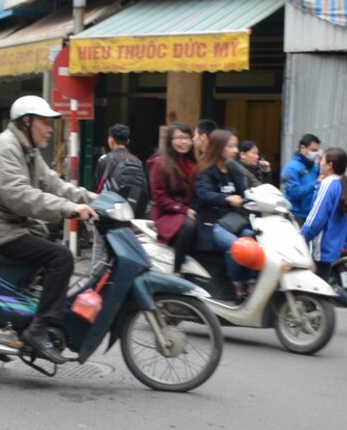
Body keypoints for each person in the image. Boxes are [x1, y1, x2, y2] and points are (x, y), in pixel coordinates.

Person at [0, 95, 95, 364]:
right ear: (27, 122)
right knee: (61, 257)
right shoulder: (6, 148)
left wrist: (93, 199)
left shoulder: (28, 150)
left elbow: (55, 185)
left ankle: (17, 322)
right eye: (45, 123)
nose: (50, 129)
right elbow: (19, 195)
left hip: (14, 224)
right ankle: (38, 330)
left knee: (48, 242)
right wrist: (68, 209)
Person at [301, 146, 347, 327]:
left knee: (320, 282)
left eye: (321, 160)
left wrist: (302, 237)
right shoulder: (342, 184)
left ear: (329, 165)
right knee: (317, 280)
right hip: (333, 245)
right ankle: (313, 316)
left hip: (321, 244)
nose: (319, 163)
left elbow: (316, 218)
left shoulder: (328, 184)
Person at [192, 129, 255, 298]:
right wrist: (226, 199)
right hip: (212, 223)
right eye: (231, 146)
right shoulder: (205, 171)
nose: (235, 150)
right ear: (219, 148)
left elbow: (246, 192)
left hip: (234, 222)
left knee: (253, 239)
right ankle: (238, 288)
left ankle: (252, 284)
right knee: (236, 247)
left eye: (236, 146)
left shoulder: (234, 170)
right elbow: (204, 194)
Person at [148, 121, 198, 272]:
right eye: (179, 138)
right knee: (189, 225)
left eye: (187, 138)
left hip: (188, 210)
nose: (184, 142)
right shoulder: (160, 163)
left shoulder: (191, 163)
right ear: (170, 141)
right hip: (168, 213)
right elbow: (159, 197)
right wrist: (183, 210)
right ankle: (178, 268)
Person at [95, 123, 150, 217]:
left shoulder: (105, 160)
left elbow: (97, 189)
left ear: (111, 140)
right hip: (133, 210)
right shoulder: (138, 162)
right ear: (128, 141)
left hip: (110, 211)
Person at [280, 133, 322, 221]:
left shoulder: (314, 166)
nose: (315, 154)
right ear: (303, 148)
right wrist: (316, 182)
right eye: (313, 150)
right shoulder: (291, 168)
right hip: (297, 215)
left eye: (317, 151)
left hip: (312, 214)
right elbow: (293, 193)